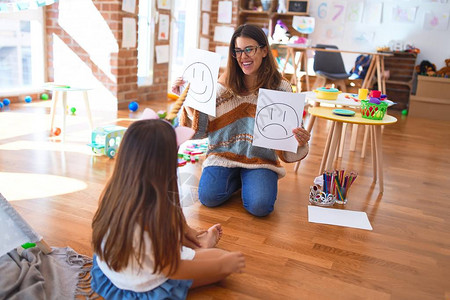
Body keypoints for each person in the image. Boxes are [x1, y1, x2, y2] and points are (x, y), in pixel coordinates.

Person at [91, 119, 245, 299]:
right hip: (141, 284)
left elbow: (171, 220)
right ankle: (200, 248)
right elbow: (172, 269)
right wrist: (222, 266)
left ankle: (198, 245)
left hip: (114, 270)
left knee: (209, 255)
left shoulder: (115, 191)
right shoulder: (153, 214)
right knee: (220, 259)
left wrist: (187, 232)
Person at [172, 24, 310, 217]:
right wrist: (187, 101)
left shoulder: (280, 89)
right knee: (208, 198)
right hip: (223, 155)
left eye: (249, 49)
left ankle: (249, 179)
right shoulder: (222, 87)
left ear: (263, 51)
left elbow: (287, 143)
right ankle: (239, 179)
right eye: (238, 51)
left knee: (260, 207)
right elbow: (200, 131)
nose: (243, 56)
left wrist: (300, 140)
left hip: (260, 160)